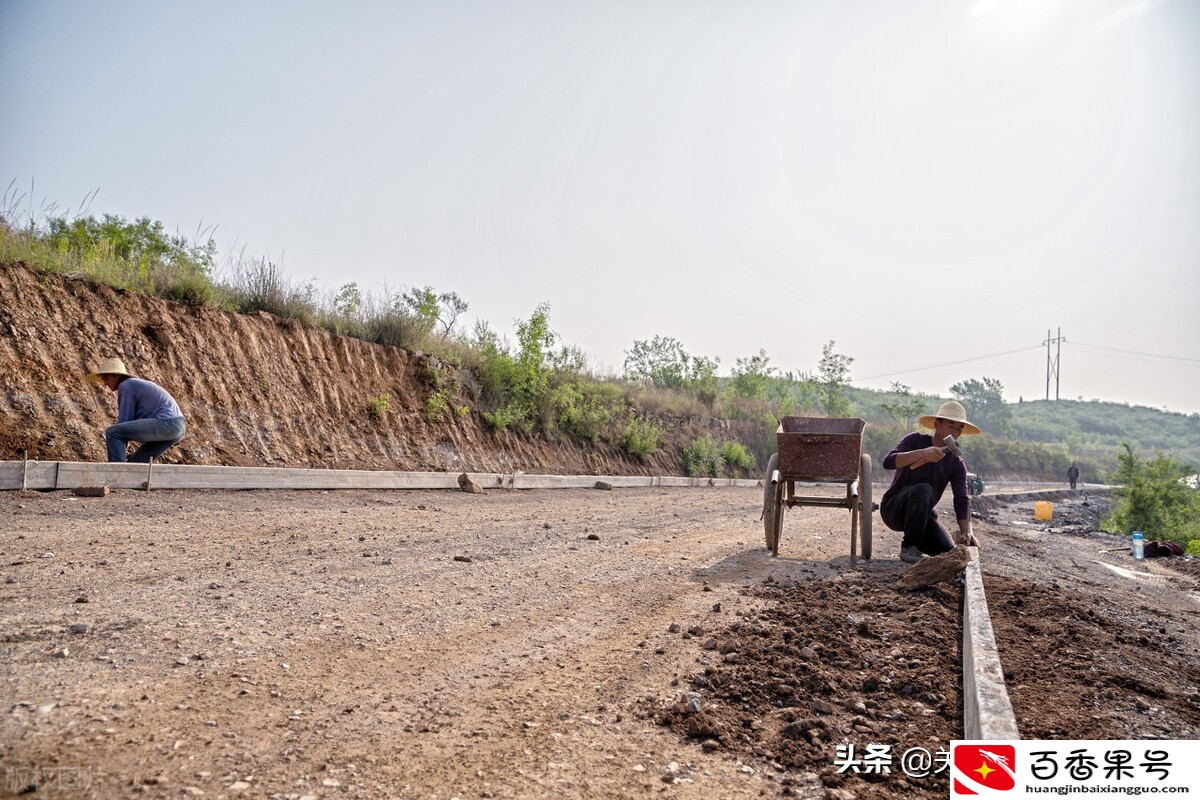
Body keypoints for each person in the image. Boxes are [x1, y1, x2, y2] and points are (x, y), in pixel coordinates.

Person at [880, 400, 980, 563]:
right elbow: (888, 462)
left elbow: (961, 499)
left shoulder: (956, 463)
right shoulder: (914, 440)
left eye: (959, 428)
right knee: (924, 489)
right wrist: (922, 454)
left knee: (948, 553)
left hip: (923, 517)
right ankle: (909, 547)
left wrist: (967, 532)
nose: (955, 432)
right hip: (894, 509)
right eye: (951, 425)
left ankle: (948, 538)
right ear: (936, 424)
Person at [87, 357, 186, 463]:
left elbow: (123, 424)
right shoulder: (133, 385)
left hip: (167, 423)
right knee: (135, 462)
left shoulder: (126, 385)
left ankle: (117, 474)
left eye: (106, 378)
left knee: (113, 433)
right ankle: (128, 476)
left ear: (117, 375)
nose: (105, 384)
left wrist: (118, 454)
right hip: (178, 427)